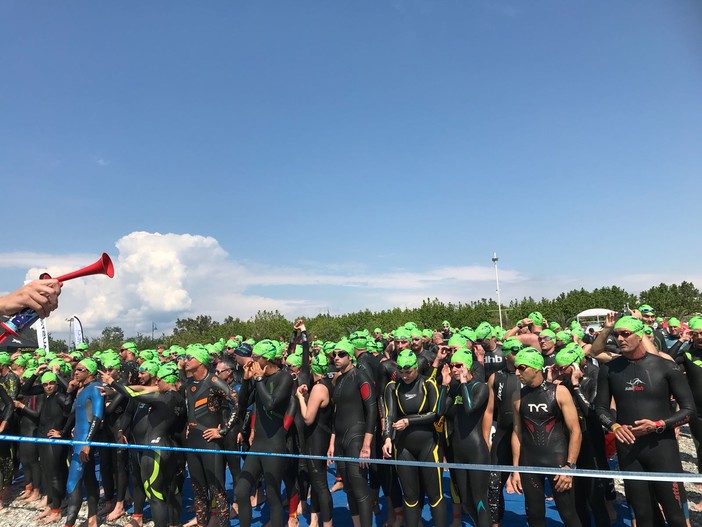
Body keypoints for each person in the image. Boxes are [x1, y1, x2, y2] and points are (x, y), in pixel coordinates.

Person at [595, 315, 694, 526]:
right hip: (629, 449)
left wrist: (659, 425)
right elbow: (600, 408)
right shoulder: (610, 369)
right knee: (643, 515)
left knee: (675, 514)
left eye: (626, 334)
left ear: (639, 336)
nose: (620, 338)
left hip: (662, 448)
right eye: (617, 334)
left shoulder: (665, 366)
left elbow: (689, 410)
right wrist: (614, 426)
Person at [510, 348, 582, 527]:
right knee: (534, 516)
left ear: (536, 368)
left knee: (568, 514)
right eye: (516, 368)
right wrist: (516, 469)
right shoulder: (517, 396)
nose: (517, 372)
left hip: (558, 462)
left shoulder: (559, 391)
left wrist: (570, 467)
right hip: (530, 463)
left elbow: (576, 431)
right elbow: (517, 433)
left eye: (522, 367)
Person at [234, 339, 294, 527]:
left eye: (255, 357)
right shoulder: (258, 379)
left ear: (266, 360)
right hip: (257, 445)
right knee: (242, 491)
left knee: (273, 495)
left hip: (274, 444)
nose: (251, 361)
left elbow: (271, 404)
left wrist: (258, 379)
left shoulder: (284, 377)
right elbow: (243, 404)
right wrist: (246, 380)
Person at [382, 349, 445, 527]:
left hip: (428, 445)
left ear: (416, 368)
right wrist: (387, 437)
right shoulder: (393, 387)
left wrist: (409, 421)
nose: (405, 376)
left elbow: (436, 414)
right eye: (401, 372)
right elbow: (389, 415)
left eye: (408, 371)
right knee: (410, 497)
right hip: (403, 447)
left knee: (435, 495)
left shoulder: (428, 384)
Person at [180, 345, 240, 527]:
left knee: (217, 491)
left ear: (200, 361)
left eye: (189, 357)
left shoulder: (214, 381)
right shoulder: (189, 382)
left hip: (210, 443)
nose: (185, 360)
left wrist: (223, 431)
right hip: (193, 442)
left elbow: (238, 404)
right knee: (198, 490)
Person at [439, 348, 490, 527]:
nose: (454, 369)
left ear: (467, 367)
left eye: (458, 365)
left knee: (479, 500)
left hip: (476, 451)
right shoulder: (455, 388)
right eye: (452, 365)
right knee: (466, 501)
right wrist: (445, 386)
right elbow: (440, 411)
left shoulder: (480, 387)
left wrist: (462, 382)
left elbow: (469, 409)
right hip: (459, 451)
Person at [329, 340, 377, 527]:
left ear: (350, 356)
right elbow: (336, 414)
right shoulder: (339, 379)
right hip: (340, 439)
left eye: (341, 354)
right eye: (335, 354)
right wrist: (332, 442)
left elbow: (371, 411)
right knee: (348, 488)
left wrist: (366, 445)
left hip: (356, 438)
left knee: (359, 489)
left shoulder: (361, 377)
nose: (337, 358)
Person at [64, 358, 105, 527]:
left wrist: (87, 443)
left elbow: (97, 417)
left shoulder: (94, 389)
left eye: (80, 369)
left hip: (84, 442)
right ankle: (93, 519)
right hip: (78, 439)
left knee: (72, 482)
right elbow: (72, 413)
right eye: (76, 369)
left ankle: (69, 524)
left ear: (90, 372)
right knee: (89, 479)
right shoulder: (82, 390)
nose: (76, 372)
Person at [296, 353, 335, 527]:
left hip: (316, 440)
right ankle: (315, 518)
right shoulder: (329, 384)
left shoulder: (319, 388)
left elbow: (307, 418)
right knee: (318, 482)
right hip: (323, 436)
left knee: (320, 485)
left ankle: (327, 523)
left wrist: (299, 398)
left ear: (313, 369)